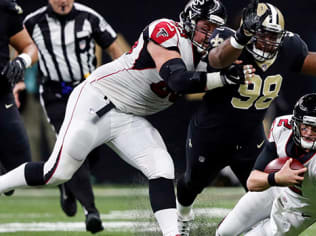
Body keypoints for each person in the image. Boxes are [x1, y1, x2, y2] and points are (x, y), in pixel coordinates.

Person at [0, 0, 247, 235]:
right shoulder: (166, 30)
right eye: (206, 28)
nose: (210, 35)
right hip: (97, 101)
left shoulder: (207, 51)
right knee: (56, 173)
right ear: (190, 21)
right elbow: (179, 81)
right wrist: (223, 78)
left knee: (161, 167)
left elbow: (223, 60)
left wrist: (240, 48)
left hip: (128, 116)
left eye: (214, 29)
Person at [175, 2, 316, 235]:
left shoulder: (287, 46)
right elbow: (217, 59)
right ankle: (182, 219)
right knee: (191, 183)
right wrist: (240, 38)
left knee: (260, 191)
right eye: (264, 35)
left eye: (274, 36)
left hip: (250, 133)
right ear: (249, 30)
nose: (270, 42)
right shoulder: (229, 40)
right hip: (211, 131)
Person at [19, 0, 124, 233]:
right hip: (55, 94)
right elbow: (18, 47)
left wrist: (125, 81)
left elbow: (116, 49)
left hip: (88, 91)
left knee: (92, 148)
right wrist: (18, 81)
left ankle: (65, 183)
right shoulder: (33, 21)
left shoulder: (89, 17)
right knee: (74, 146)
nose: (63, 1)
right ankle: (91, 211)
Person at [216, 93, 316, 236]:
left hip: (302, 206)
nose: (308, 133)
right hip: (275, 186)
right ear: (295, 123)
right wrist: (276, 178)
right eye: (305, 127)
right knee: (225, 231)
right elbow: (252, 182)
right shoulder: (282, 128)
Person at [0, 0, 38, 196]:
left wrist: (22, 61)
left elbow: (30, 47)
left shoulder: (5, 10)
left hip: (1, 96)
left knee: (20, 168)